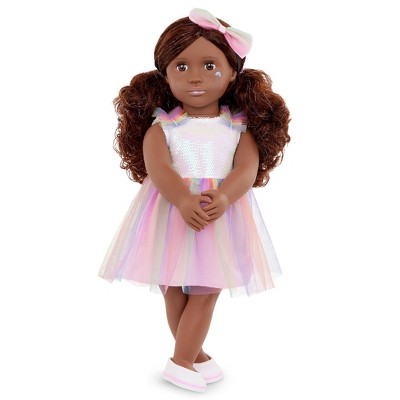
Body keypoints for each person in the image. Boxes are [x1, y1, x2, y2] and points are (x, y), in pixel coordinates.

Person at [98, 8, 290, 393]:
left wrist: (226, 194)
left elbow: (246, 168)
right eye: (181, 67)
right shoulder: (164, 126)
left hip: (218, 214)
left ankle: (187, 357)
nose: (196, 76)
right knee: (172, 285)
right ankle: (187, 359)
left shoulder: (237, 126)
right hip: (171, 211)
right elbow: (159, 169)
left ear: (232, 72)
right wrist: (183, 199)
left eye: (210, 65)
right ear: (166, 74)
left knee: (206, 288)